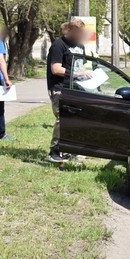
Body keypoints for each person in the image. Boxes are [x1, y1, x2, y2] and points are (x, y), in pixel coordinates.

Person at [45, 18, 87, 163]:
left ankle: (71, 150)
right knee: (62, 119)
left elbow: (82, 67)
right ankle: (54, 151)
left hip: (76, 88)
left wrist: (87, 75)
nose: (80, 35)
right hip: (59, 88)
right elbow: (55, 69)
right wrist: (75, 73)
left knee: (75, 119)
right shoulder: (59, 44)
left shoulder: (80, 45)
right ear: (70, 30)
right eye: (78, 32)